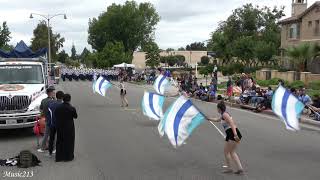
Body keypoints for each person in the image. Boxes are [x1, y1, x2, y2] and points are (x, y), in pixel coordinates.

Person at [207, 101, 244, 174]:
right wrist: (209, 118)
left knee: (227, 152)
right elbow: (217, 120)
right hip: (230, 134)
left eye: (217, 108)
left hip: (232, 133)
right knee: (231, 152)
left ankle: (230, 168)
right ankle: (240, 168)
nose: (216, 109)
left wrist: (235, 135)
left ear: (219, 108)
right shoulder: (223, 115)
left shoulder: (225, 115)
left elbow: (232, 124)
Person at [55, 94, 78, 162]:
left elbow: (55, 115)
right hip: (69, 127)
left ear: (63, 99)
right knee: (69, 142)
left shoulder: (58, 107)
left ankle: (59, 157)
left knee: (59, 141)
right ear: (69, 100)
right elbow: (75, 116)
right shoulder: (72, 108)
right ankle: (68, 157)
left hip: (60, 126)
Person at [38, 86, 56, 153]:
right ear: (50, 93)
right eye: (53, 91)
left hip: (46, 119)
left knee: (46, 135)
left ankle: (42, 148)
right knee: (53, 135)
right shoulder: (53, 101)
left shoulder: (43, 101)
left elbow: (41, 109)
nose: (54, 93)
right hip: (53, 120)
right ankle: (54, 148)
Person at [47, 91, 64, 157]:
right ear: (62, 97)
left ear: (56, 96)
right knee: (60, 139)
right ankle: (60, 152)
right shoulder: (63, 105)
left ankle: (50, 152)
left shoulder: (51, 104)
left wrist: (48, 123)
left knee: (52, 138)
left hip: (52, 124)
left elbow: (48, 115)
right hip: (60, 125)